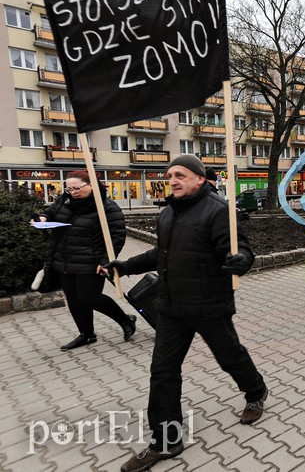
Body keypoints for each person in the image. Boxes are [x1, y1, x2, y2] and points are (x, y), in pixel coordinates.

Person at [104, 155, 266, 472]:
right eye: (170, 175)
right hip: (172, 307)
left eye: (180, 174)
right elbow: (159, 253)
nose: (173, 180)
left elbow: (241, 248)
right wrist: (125, 267)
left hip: (208, 304)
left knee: (229, 355)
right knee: (162, 371)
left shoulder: (219, 210)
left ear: (199, 179)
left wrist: (241, 261)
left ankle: (256, 391)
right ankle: (167, 440)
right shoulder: (167, 214)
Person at [36, 170, 133, 351]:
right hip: (63, 259)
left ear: (91, 185)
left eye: (77, 188)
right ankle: (87, 334)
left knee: (90, 297)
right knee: (74, 300)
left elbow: (117, 237)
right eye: (69, 189)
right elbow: (50, 212)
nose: (72, 192)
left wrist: (105, 261)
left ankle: (126, 320)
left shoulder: (107, 207)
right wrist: (42, 219)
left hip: (90, 261)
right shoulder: (64, 201)